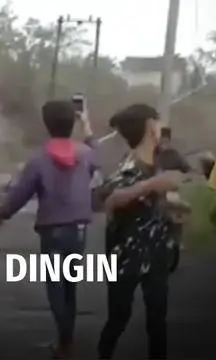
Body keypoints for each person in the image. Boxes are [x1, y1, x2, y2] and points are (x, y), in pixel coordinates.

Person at [0, 100, 98, 358]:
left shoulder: (39, 160)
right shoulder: (84, 155)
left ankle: (65, 343)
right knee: (70, 285)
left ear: (46, 124)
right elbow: (98, 154)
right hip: (79, 231)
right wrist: (86, 123)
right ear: (71, 123)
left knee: (55, 287)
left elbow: (20, 194)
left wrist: (2, 213)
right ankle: (67, 341)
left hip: (52, 232)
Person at [96, 104, 184, 359]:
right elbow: (109, 197)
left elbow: (171, 185)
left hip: (156, 253)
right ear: (149, 127)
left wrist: (171, 206)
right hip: (125, 257)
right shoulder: (129, 166)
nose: (160, 126)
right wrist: (149, 186)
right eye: (157, 121)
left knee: (158, 320)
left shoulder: (160, 161)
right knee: (119, 317)